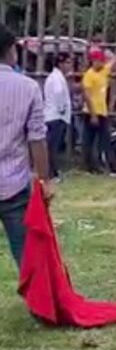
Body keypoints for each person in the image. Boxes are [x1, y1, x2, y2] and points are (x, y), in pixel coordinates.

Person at [0, 25, 53, 267]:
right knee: (26, 251)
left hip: (13, 181)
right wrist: (43, 180)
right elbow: (37, 139)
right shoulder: (28, 87)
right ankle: (37, 300)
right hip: (14, 182)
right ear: (11, 50)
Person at [82, 45, 116, 174]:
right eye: (98, 61)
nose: (101, 63)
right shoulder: (89, 75)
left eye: (102, 61)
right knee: (89, 141)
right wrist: (92, 115)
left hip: (102, 112)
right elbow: (86, 95)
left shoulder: (103, 71)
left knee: (105, 140)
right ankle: (90, 166)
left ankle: (111, 166)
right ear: (93, 61)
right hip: (91, 113)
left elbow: (115, 59)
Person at [44, 53, 72, 182]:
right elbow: (58, 92)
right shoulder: (56, 78)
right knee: (52, 147)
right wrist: (62, 108)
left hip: (53, 115)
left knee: (52, 146)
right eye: (67, 62)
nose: (70, 65)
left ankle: (52, 172)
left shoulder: (56, 77)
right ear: (60, 64)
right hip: (55, 116)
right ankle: (51, 174)